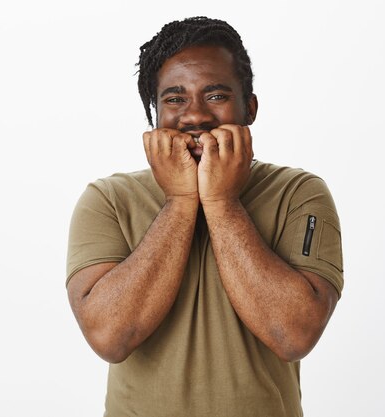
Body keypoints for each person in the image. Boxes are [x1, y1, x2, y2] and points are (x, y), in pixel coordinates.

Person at [65, 16, 343, 417]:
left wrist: (222, 203)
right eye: (174, 99)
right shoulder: (108, 199)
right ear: (154, 114)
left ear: (250, 107)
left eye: (215, 96)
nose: (194, 116)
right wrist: (181, 200)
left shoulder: (299, 194)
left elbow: (294, 335)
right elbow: (110, 338)